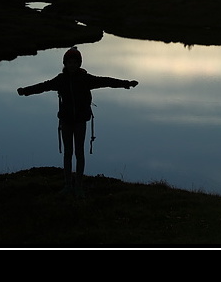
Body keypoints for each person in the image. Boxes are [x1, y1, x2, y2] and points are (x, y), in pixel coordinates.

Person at [17, 46, 138, 196]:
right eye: (69, 62)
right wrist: (25, 91)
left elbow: (106, 81)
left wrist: (126, 83)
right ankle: (68, 185)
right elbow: (44, 86)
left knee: (79, 152)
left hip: (81, 121)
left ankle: (78, 186)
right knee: (68, 153)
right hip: (66, 121)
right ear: (65, 63)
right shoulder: (60, 80)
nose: (72, 65)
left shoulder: (86, 79)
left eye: (75, 62)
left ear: (79, 63)